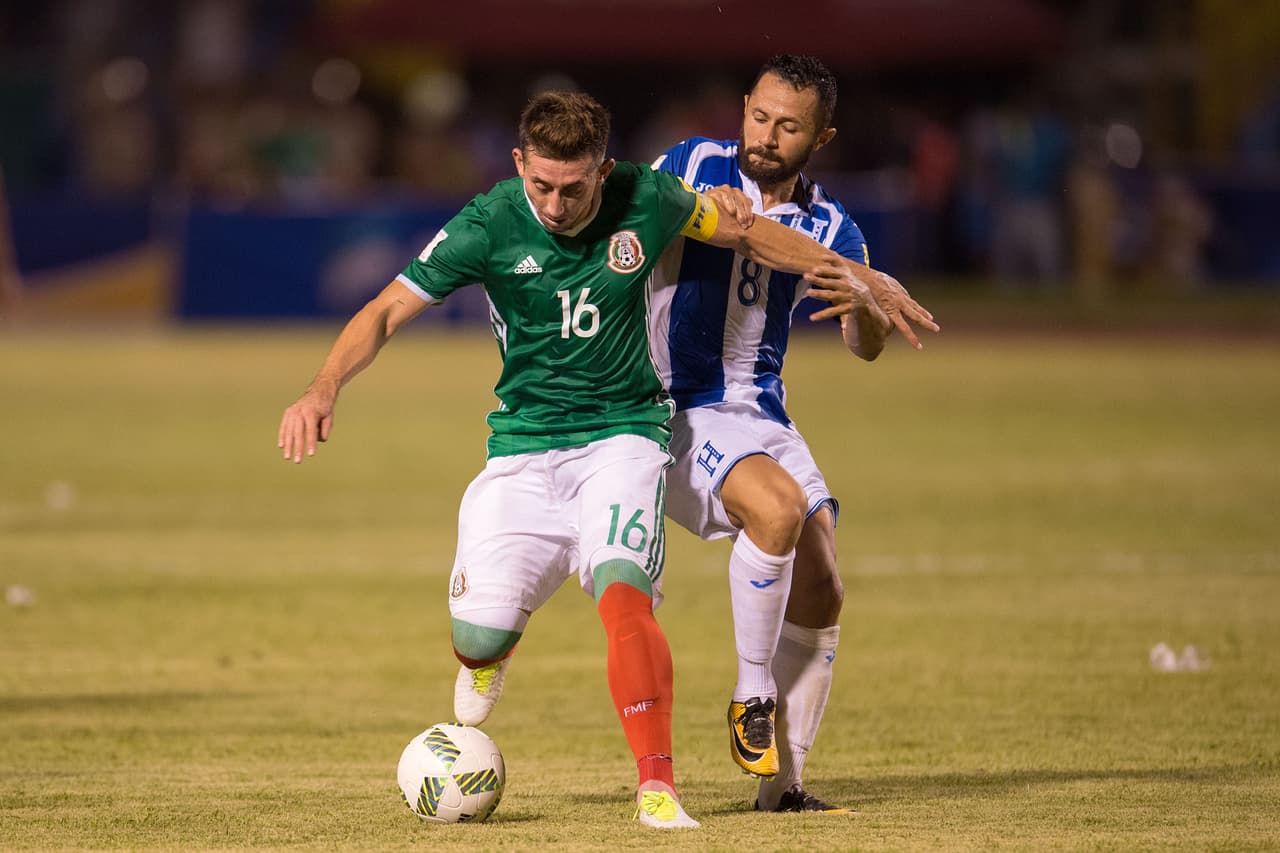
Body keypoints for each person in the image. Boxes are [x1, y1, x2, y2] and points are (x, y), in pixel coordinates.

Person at [277, 90, 889, 829]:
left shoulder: (650, 195)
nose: (557, 204)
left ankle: (656, 788)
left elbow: (751, 234)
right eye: (541, 185)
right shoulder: (489, 220)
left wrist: (862, 278)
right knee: (476, 636)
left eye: (573, 187)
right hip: (523, 447)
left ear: (603, 169)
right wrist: (321, 387)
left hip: (624, 436)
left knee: (625, 593)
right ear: (518, 166)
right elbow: (384, 309)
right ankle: (488, 653)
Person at [648, 55, 939, 812]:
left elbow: (864, 345)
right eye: (759, 116)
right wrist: (862, 273)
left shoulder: (834, 222)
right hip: (679, 405)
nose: (766, 137)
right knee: (775, 510)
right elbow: (749, 238)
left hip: (764, 412)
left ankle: (783, 790)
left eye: (789, 127)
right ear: (743, 107)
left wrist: (866, 303)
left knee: (824, 580)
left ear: (823, 136)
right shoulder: (693, 163)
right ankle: (752, 697)